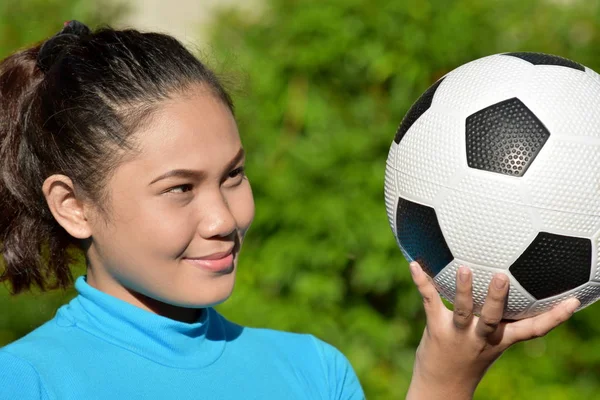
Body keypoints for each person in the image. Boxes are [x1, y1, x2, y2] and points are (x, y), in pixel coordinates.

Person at [0, 21, 579, 400]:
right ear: (73, 207)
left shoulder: (312, 374)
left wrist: (443, 378)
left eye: (233, 176)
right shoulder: (26, 382)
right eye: (179, 188)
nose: (224, 219)